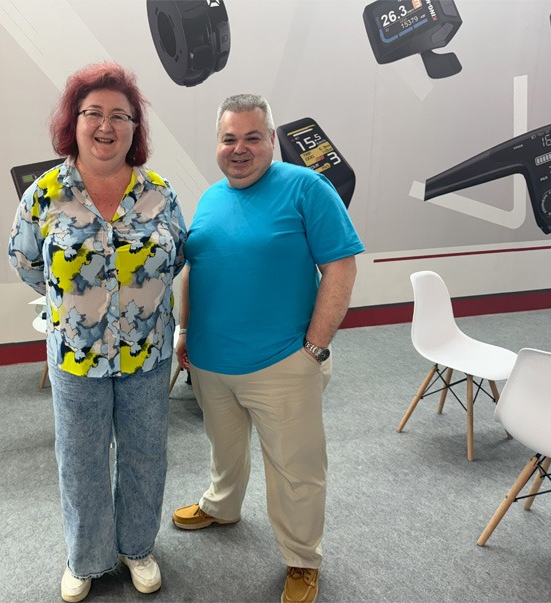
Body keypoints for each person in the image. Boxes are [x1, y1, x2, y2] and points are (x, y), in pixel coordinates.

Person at [172, 94, 364, 603]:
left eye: (252, 137)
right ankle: (221, 506)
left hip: (283, 363)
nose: (240, 148)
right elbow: (196, 268)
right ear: (218, 144)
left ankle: (302, 558)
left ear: (271, 141)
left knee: (296, 469)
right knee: (224, 449)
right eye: (229, 138)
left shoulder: (306, 187)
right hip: (211, 363)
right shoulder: (211, 197)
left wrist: (315, 349)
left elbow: (341, 267)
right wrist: (186, 332)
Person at [8, 62, 187, 603]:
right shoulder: (45, 193)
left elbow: (176, 255)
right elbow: (25, 261)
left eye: (119, 116)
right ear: (74, 122)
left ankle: (137, 548)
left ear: (135, 128)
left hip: (148, 353)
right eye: (93, 113)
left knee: (144, 453)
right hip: (77, 358)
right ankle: (86, 557)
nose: (105, 126)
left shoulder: (158, 192)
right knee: (80, 458)